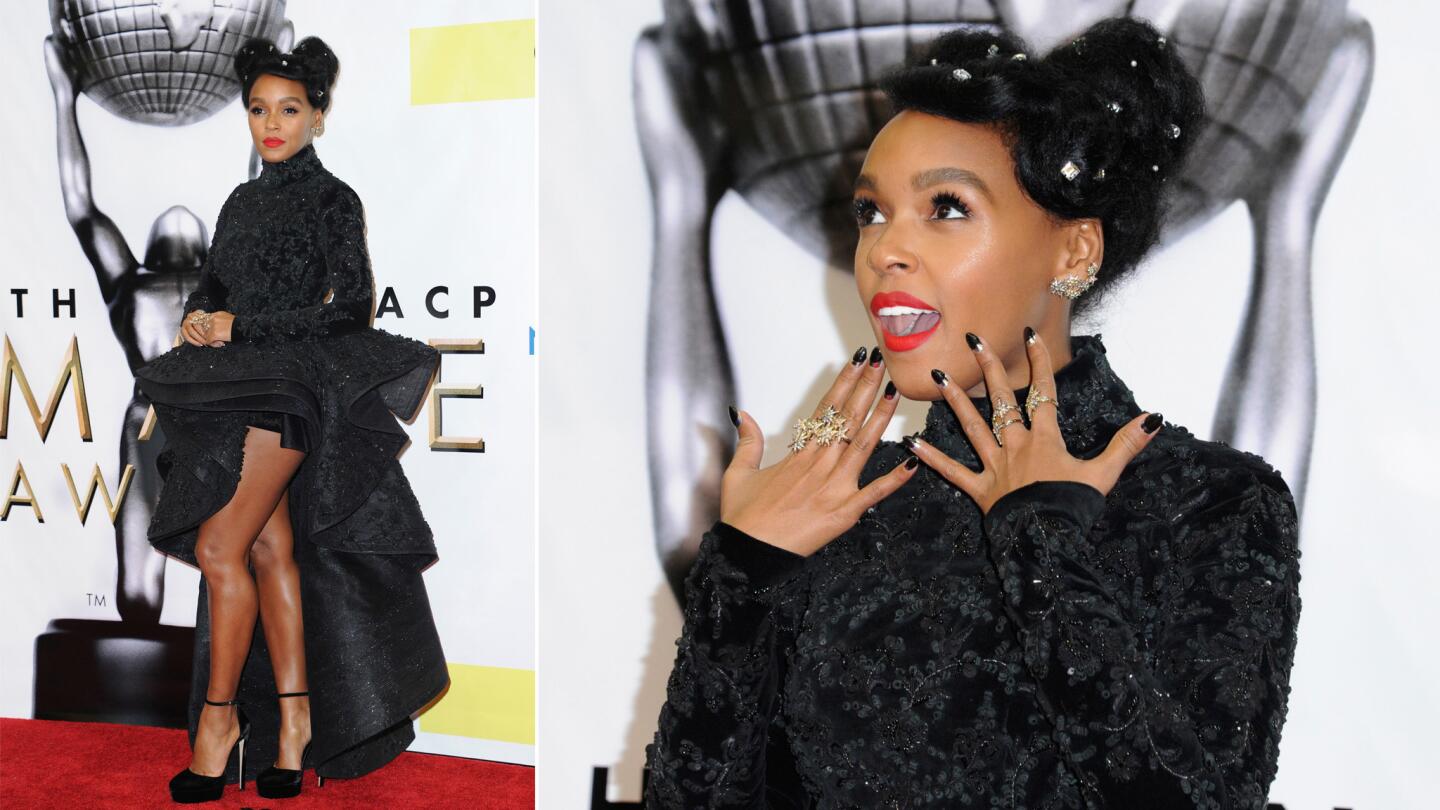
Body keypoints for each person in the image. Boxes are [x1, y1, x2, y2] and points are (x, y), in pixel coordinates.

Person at [644, 17, 1301, 809]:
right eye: (870, 212)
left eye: (946, 208)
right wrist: (744, 577)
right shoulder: (843, 506)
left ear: (1075, 253)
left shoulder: (1209, 502)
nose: (885, 249)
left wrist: (1043, 542)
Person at [133, 36, 449, 804]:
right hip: (235, 391)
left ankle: (219, 726)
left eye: (288, 110)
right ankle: (295, 723)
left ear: (316, 116)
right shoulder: (240, 202)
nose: (271, 125)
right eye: (258, 111)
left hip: (293, 397)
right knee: (270, 553)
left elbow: (351, 310)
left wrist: (245, 329)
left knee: (219, 546)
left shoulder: (333, 200)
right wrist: (201, 319)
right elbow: (212, 287)